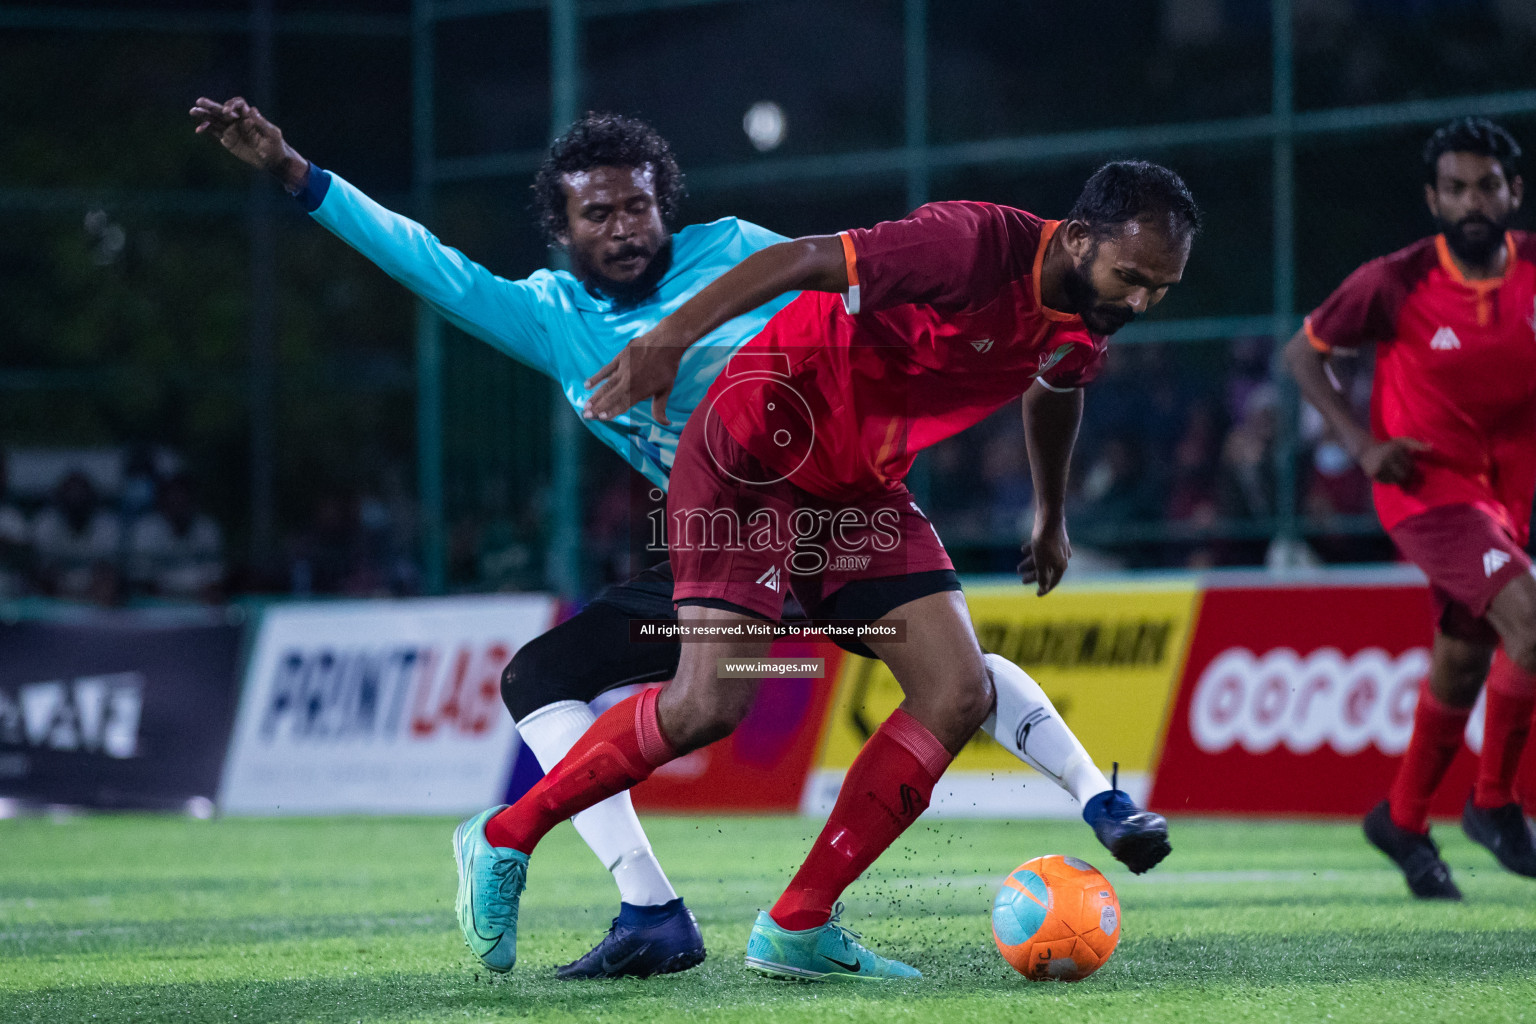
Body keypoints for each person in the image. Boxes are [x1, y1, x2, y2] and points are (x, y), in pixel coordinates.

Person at [192, 98, 1167, 980]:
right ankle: (608, 886)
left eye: (639, 207)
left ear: (668, 205)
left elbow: (841, 295)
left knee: (957, 682)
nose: (624, 228)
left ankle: (791, 915)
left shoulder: (736, 253)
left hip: (828, 496)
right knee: (601, 686)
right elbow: (425, 261)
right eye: (598, 214)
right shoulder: (550, 318)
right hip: (726, 507)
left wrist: (1013, 464)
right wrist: (295, 175)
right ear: (562, 228)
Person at [455, 162, 1198, 980]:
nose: (1138, 304)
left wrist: (1051, 515)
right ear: (1081, 236)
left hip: (859, 491)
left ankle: (798, 924)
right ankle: (503, 836)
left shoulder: (1087, 319)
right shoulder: (970, 244)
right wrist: (667, 342)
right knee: (708, 704)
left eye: (1160, 290)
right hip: (753, 448)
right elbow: (806, 258)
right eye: (1131, 279)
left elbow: (1055, 389)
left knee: (957, 690)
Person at [1284, 116, 1536, 900]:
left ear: (1512, 193)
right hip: (1426, 494)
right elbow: (1303, 354)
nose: (1472, 200)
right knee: (1531, 624)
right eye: (1455, 187)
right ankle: (1495, 804)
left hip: (1505, 504)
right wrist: (1361, 447)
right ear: (1432, 198)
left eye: (1486, 186)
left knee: (1462, 662)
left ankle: (1402, 818)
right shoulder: (1393, 281)